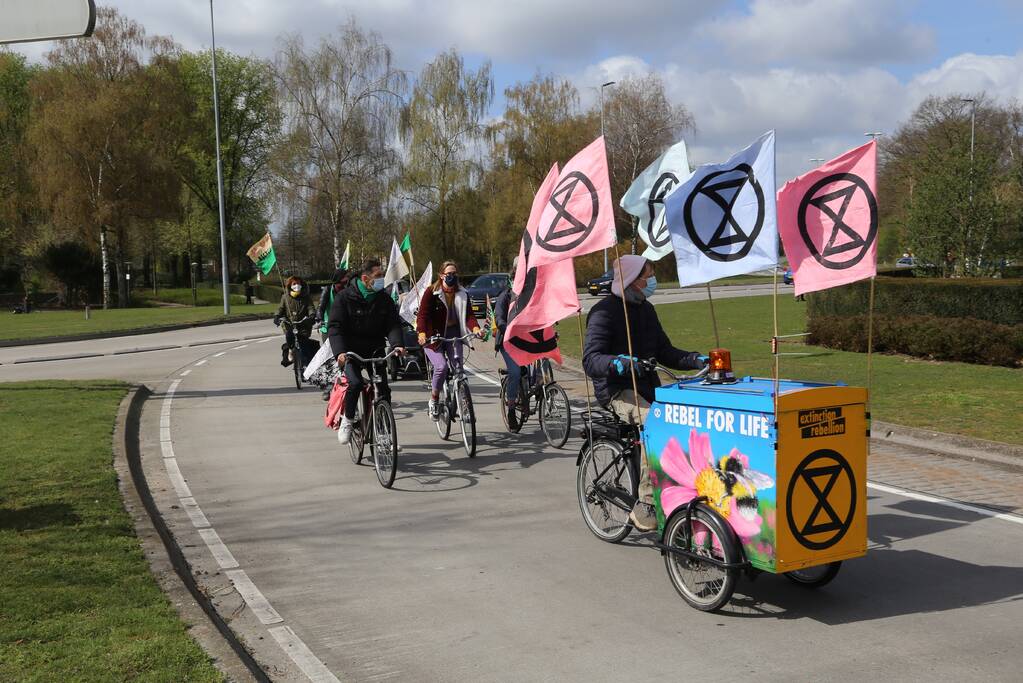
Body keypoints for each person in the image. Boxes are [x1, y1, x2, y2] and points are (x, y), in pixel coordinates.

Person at [583, 255, 707, 531]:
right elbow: (591, 360)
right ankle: (647, 502)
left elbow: (664, 351)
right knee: (655, 423)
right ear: (631, 279)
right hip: (617, 390)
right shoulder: (604, 312)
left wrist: (697, 359)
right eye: (647, 275)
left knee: (689, 420)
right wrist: (619, 362)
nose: (652, 281)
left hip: (648, 387)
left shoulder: (646, 309)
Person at [328, 259, 405, 445]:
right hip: (351, 351)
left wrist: (397, 345)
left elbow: (393, 324)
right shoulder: (344, 298)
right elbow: (335, 327)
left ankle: (383, 429)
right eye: (377, 276)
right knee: (355, 383)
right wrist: (340, 352)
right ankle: (347, 420)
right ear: (365, 278)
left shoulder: (384, 298)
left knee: (383, 390)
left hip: (376, 349)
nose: (381, 280)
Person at [416, 260, 482, 421]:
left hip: (453, 334)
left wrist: (475, 328)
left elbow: (469, 316)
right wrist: (422, 333)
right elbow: (422, 315)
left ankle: (464, 403)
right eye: (448, 274)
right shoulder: (432, 292)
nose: (452, 276)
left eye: (454, 274)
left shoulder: (462, 293)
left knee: (459, 369)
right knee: (441, 367)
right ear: (441, 275)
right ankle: (434, 399)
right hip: (434, 336)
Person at [493, 257, 523, 430]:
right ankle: (511, 408)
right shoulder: (505, 295)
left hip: (526, 340)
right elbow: (499, 318)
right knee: (516, 372)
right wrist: (509, 329)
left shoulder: (530, 292)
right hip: (506, 340)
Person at [274, 275, 317, 368]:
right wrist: (277, 316)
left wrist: (312, 315)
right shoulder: (285, 297)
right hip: (290, 324)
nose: (296, 285)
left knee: (304, 346)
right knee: (289, 336)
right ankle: (290, 350)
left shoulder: (306, 297)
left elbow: (310, 308)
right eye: (294, 284)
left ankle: (306, 367)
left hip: (303, 324)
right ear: (290, 285)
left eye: (298, 283)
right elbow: (281, 308)